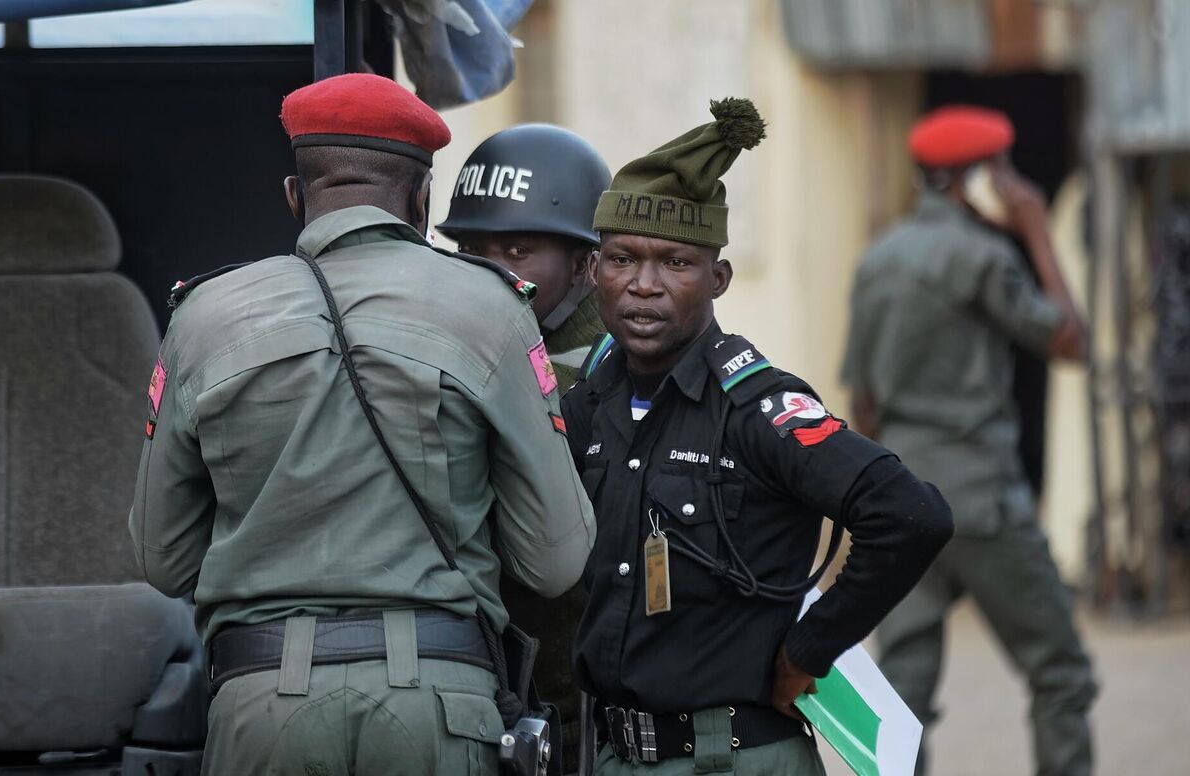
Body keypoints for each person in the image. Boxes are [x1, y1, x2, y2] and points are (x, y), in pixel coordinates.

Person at [130, 73, 595, 776]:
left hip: (260, 707)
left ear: (295, 195)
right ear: (421, 197)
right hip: (440, 703)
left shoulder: (203, 315)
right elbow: (554, 562)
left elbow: (162, 560)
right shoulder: (493, 309)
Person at [562, 98, 953, 775]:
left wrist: (811, 650)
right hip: (618, 756)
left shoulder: (756, 408)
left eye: (676, 264)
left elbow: (910, 515)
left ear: (718, 279)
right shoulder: (592, 404)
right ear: (596, 273)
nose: (645, 286)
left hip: (733, 758)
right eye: (623, 258)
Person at [843, 104, 1096, 776]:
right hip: (984, 503)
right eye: (1003, 171)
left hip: (905, 501)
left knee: (903, 693)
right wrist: (1038, 230)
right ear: (972, 180)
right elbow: (1070, 341)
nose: (1013, 185)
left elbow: (862, 404)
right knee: (1061, 670)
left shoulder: (879, 258)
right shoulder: (986, 256)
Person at [438, 123, 613, 772]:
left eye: (517, 250)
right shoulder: (456, 347)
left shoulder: (624, 366)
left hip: (592, 711)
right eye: (472, 249)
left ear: (584, 262)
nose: (490, 272)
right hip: (498, 696)